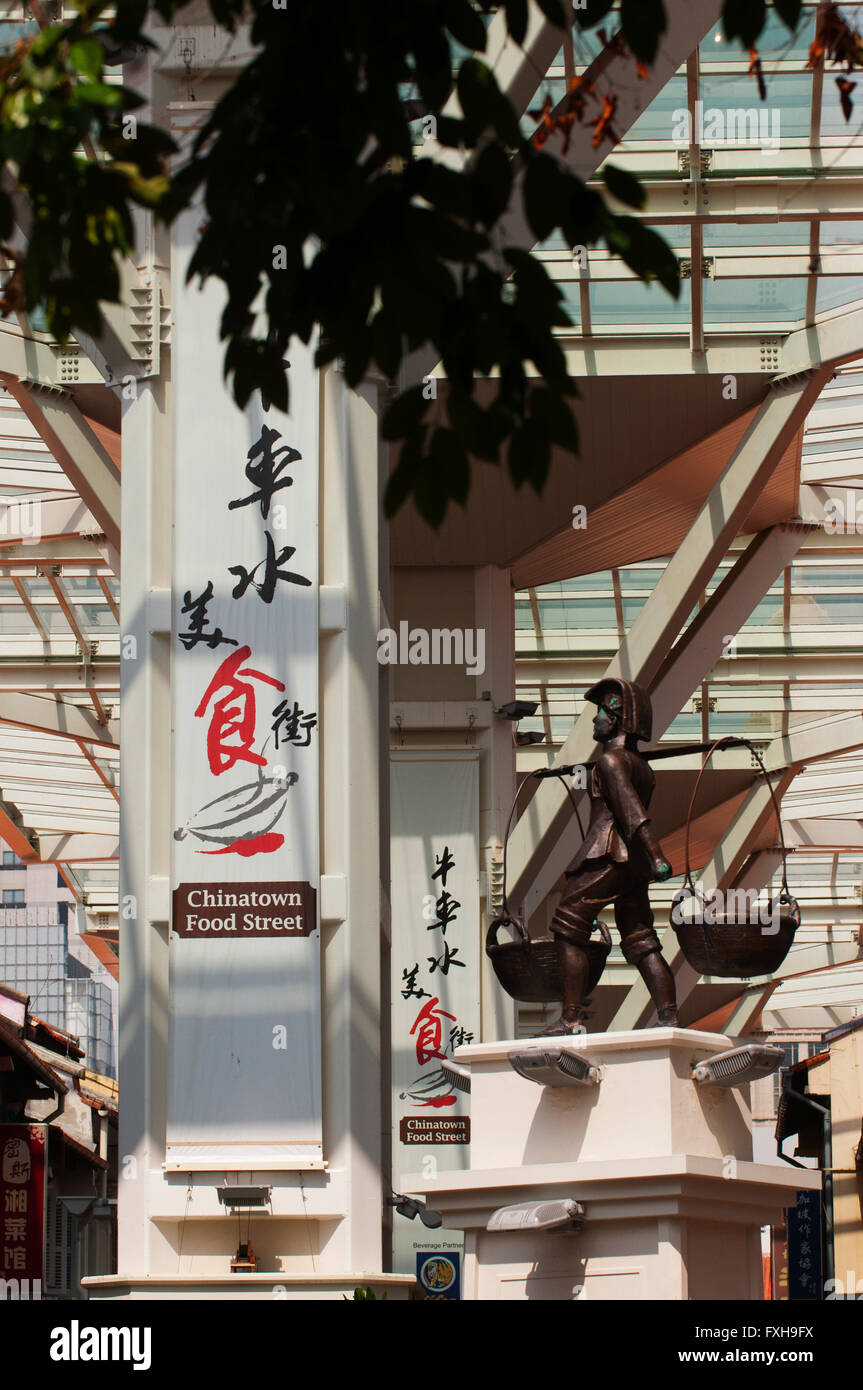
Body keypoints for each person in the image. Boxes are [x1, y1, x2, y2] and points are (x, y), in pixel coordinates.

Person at [541, 677, 679, 1035]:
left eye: (600, 711)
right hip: (631, 866)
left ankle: (571, 1018)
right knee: (640, 939)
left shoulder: (611, 762)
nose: (594, 719)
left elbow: (631, 812)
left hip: (608, 856)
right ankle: (669, 1016)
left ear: (616, 718)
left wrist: (658, 855)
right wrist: (649, 860)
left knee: (568, 926)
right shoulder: (641, 765)